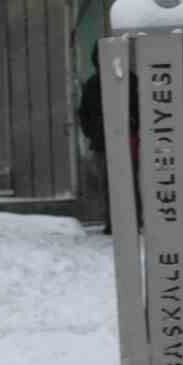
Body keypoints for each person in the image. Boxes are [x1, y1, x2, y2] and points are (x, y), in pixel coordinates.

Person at [76, 52, 110, 234]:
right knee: (124, 182)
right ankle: (125, 220)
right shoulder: (127, 79)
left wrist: (92, 132)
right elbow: (84, 114)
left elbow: (84, 114)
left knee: (107, 184)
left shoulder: (92, 84)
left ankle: (112, 220)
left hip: (101, 141)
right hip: (113, 141)